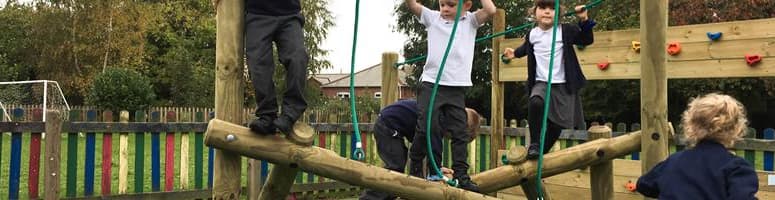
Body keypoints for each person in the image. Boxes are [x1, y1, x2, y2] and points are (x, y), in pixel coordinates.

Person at [403, 0, 496, 192]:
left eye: (451, 5)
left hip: (456, 87)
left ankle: (461, 174)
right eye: (442, 4)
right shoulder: (433, 18)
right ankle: (416, 162)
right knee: (428, 126)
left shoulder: (470, 21)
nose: (445, 9)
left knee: (460, 132)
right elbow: (412, 5)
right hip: (431, 84)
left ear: (466, 5)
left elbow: (491, 10)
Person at [502, 0, 595, 159]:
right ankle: (535, 144)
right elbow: (526, 48)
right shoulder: (533, 34)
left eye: (552, 9)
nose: (547, 12)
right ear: (534, 12)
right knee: (535, 101)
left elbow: (586, 40)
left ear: (558, 13)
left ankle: (540, 153)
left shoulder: (565, 30)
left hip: (563, 84)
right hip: (541, 82)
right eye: (543, 8)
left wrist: (584, 19)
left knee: (557, 125)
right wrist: (514, 53)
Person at [636, 93, 758, 199]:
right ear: (737, 129)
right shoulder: (737, 168)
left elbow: (644, 185)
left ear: (690, 126)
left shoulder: (674, 161)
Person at [360, 99, 482, 200]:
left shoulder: (439, 116)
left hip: (391, 124)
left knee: (398, 168)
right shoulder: (436, 121)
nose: (449, 138)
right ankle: (369, 198)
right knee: (395, 168)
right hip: (387, 125)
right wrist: (436, 171)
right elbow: (431, 150)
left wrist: (436, 169)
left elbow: (425, 150)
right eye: (452, 137)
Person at [245, 0, 308, 135]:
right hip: (257, 14)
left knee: (298, 58)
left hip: (289, 14)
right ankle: (267, 115)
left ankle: (290, 114)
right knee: (258, 65)